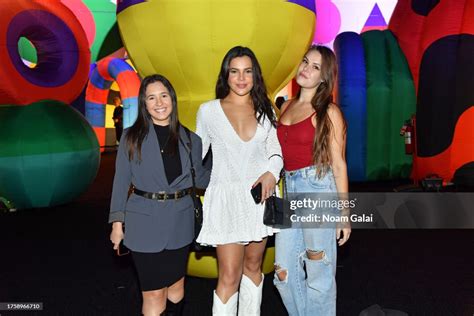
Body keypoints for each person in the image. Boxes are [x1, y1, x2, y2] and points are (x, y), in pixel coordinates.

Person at [109, 74, 210, 316]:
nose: (159, 102)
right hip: (143, 222)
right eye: (151, 98)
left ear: (172, 99)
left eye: (163, 95)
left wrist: (231, 163)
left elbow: (203, 179)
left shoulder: (191, 140)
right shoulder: (131, 138)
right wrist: (116, 223)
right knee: (154, 293)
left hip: (180, 221)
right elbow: (121, 181)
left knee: (176, 288)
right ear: (144, 104)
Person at [196, 46, 283, 315]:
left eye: (247, 71)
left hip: (261, 198)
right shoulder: (208, 111)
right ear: (226, 75)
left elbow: (276, 151)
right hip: (226, 201)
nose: (241, 78)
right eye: (235, 71)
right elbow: (195, 157)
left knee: (254, 268)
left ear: (255, 75)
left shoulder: (265, 108)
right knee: (229, 276)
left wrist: (271, 172)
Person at [274, 45, 351, 316]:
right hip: (286, 191)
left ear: (324, 76)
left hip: (317, 188)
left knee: (318, 270)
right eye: (305, 61)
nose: (306, 68)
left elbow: (339, 165)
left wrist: (344, 214)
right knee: (282, 272)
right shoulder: (285, 106)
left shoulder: (328, 112)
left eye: (315, 67)